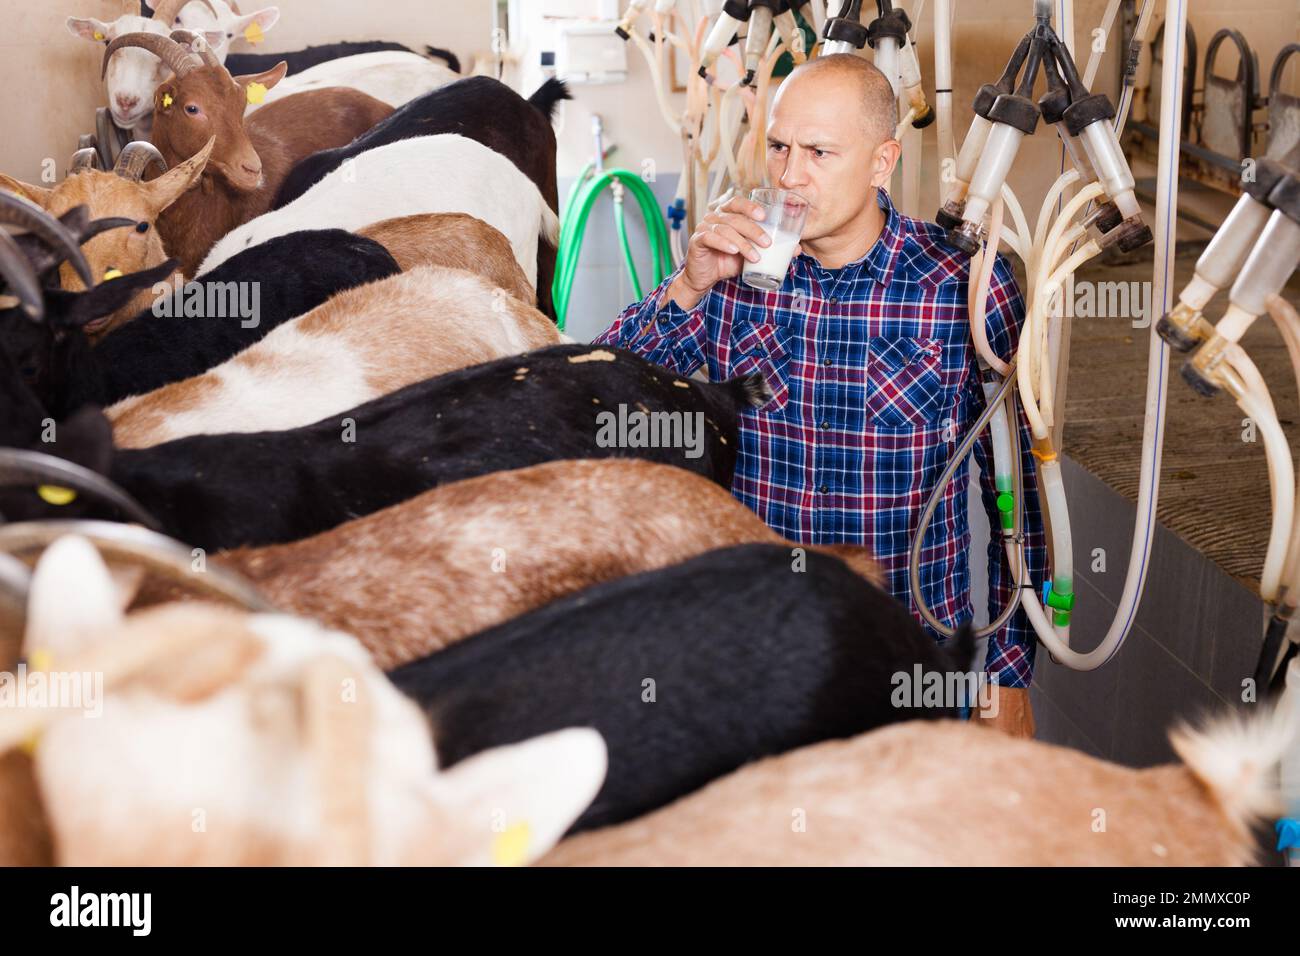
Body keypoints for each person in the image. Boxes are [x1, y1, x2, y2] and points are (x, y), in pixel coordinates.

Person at [593, 53, 1048, 737]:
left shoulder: (960, 286)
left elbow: (1017, 491)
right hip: (761, 644)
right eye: (778, 146)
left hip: (907, 652)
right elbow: (605, 395)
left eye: (818, 152)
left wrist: (1008, 675)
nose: (788, 175)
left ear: (881, 161)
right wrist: (688, 286)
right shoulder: (733, 278)